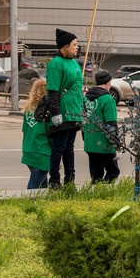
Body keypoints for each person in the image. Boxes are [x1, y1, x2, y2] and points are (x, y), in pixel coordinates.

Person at [46, 28, 83, 188]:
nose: (77, 47)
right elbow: (53, 90)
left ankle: (70, 180)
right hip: (63, 113)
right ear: (65, 46)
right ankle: (54, 180)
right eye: (74, 44)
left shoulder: (74, 63)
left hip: (74, 112)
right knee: (59, 148)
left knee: (69, 149)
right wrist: (56, 112)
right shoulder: (55, 64)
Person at [82, 70, 120, 183]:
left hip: (90, 142)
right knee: (113, 172)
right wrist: (115, 143)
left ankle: (96, 192)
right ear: (108, 82)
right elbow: (111, 123)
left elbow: (83, 120)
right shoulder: (107, 99)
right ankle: (104, 192)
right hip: (104, 144)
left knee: (95, 175)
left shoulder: (86, 98)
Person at [21, 78, 52, 189]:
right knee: (34, 185)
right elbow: (50, 134)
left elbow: (24, 130)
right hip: (42, 151)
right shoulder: (48, 111)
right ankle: (28, 205)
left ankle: (44, 204)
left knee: (42, 182)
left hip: (28, 149)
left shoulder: (28, 109)